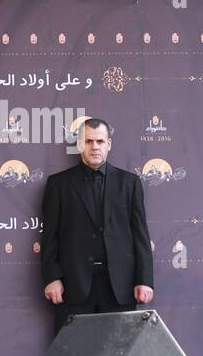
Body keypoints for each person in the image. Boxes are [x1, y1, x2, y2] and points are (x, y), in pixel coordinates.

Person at [41, 118, 154, 335]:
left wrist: (144, 280)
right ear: (80, 144)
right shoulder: (59, 184)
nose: (95, 147)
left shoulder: (129, 183)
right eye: (89, 141)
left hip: (119, 287)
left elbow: (140, 234)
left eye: (100, 141)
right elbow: (50, 236)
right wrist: (52, 278)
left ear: (109, 144)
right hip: (73, 286)